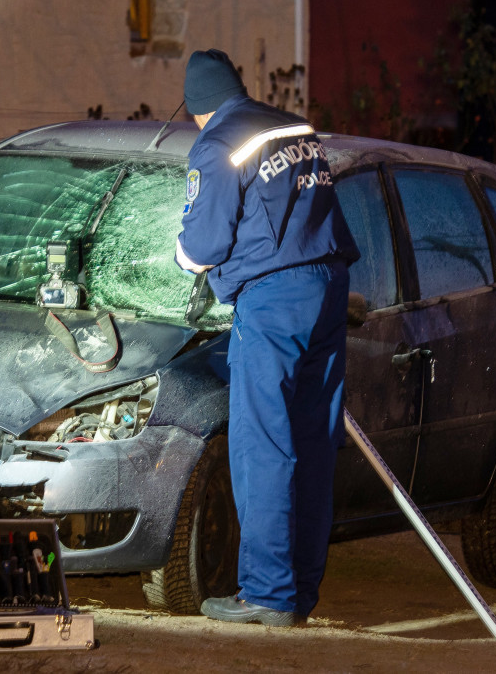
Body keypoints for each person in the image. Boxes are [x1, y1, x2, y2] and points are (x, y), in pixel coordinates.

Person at [175, 49, 361, 626]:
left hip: (274, 300)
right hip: (329, 286)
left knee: (262, 447)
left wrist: (179, 252)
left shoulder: (216, 144)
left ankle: (266, 594)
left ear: (197, 107)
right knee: (311, 443)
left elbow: (200, 249)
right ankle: (300, 592)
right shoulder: (292, 127)